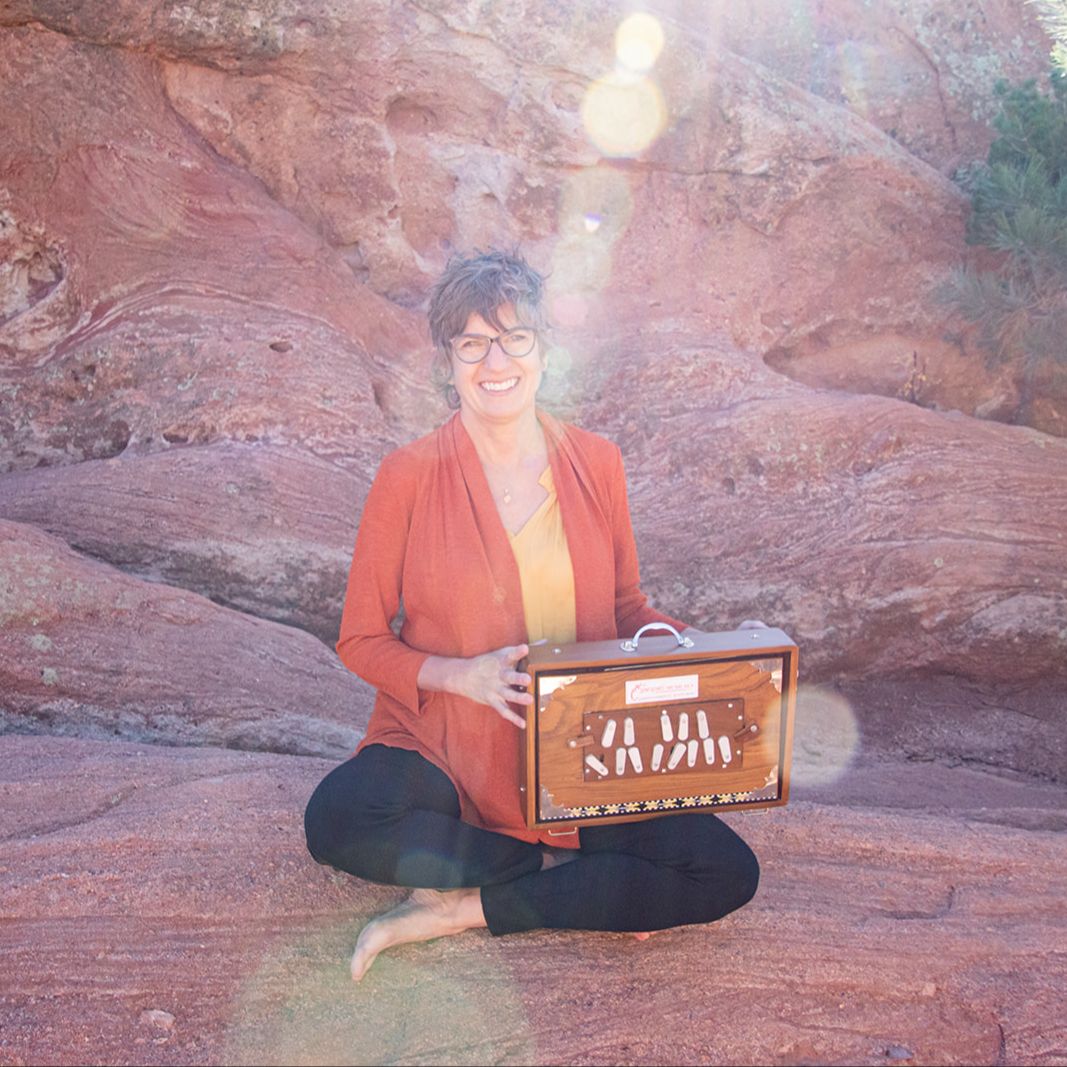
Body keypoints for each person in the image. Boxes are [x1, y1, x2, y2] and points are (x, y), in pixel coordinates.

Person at [304, 250, 760, 981]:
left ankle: (469, 905)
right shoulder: (406, 476)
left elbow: (623, 607)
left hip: (578, 748)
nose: (495, 361)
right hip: (445, 747)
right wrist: (462, 676)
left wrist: (696, 654)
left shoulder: (596, 461)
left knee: (725, 871)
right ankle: (561, 872)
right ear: (447, 360)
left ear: (544, 352)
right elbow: (359, 639)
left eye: (514, 337)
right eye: (472, 342)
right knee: (337, 820)